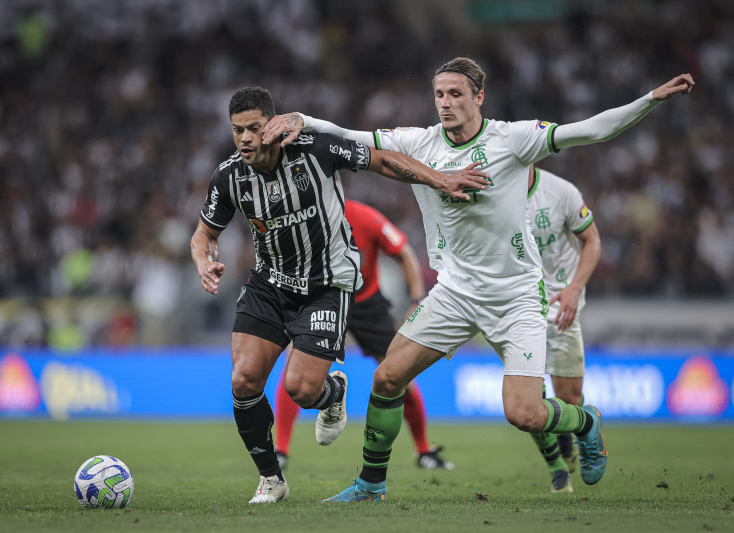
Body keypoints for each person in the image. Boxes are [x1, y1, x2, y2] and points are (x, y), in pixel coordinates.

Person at [262, 57, 694, 502]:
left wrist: (650, 99)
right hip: (454, 292)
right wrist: (303, 119)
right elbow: (351, 136)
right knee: (387, 378)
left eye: (455, 94)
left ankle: (586, 422)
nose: (445, 103)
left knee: (524, 413)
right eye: (439, 94)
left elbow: (591, 129)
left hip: (517, 296)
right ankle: (371, 486)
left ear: (478, 97)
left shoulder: (514, 138)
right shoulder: (418, 142)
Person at [191, 86, 489, 503]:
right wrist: (204, 261)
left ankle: (333, 393)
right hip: (268, 285)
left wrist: (441, 179)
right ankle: (271, 480)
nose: (244, 138)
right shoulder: (229, 177)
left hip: (325, 286)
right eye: (237, 130)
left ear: (272, 125)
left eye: (254, 128)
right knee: (243, 380)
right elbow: (203, 235)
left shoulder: (316, 150)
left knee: (302, 390)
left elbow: (385, 160)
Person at [273, 199, 454, 472]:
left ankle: (424, 450)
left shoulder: (366, 217)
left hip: (366, 304)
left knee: (400, 374)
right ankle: (280, 451)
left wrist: (417, 298)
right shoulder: (305, 217)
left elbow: (403, 252)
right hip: (323, 301)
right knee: (294, 370)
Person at [526, 164, 602, 493]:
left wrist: (573, 289)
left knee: (568, 399)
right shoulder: (490, 191)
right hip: (517, 306)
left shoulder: (561, 192)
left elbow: (593, 241)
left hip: (560, 305)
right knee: (528, 401)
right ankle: (556, 467)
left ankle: (575, 428)